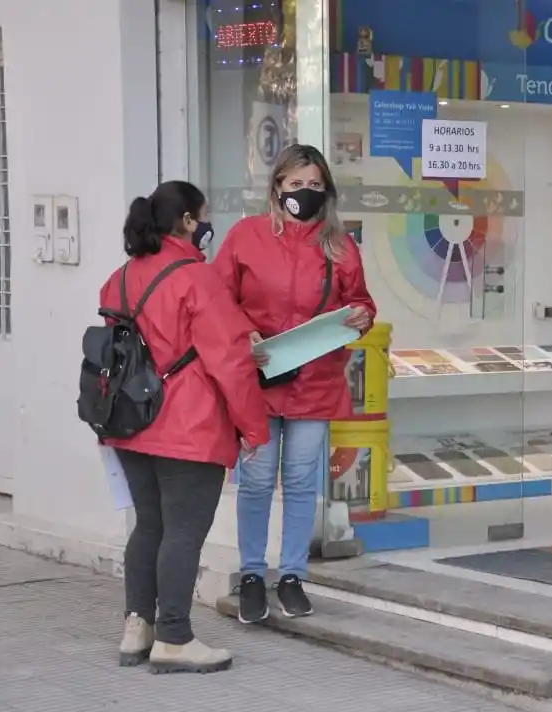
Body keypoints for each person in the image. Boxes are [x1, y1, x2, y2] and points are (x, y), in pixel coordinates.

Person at [102, 181, 270, 673]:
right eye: (206, 215)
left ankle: (140, 628)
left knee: (149, 526)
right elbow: (232, 362)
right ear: (190, 222)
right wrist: (254, 428)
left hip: (130, 422)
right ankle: (174, 636)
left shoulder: (121, 277)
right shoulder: (198, 278)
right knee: (182, 532)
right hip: (188, 426)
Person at [214, 144, 376, 623]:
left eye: (313, 186)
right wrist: (245, 333)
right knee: (257, 481)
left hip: (315, 381)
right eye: (295, 185)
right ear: (276, 187)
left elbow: (360, 303)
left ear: (325, 190)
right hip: (259, 379)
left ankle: (292, 577)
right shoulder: (246, 237)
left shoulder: (341, 246)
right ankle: (250, 576)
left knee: (303, 482)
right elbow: (217, 300)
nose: (304, 194)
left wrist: (363, 316)